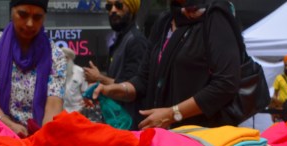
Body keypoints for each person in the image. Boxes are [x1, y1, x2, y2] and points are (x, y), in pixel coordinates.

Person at [90, 0, 241, 130]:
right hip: (164, 138)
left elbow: (226, 83)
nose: (113, 10)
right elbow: (143, 80)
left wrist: (172, 114)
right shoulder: (165, 21)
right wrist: (110, 90)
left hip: (203, 138)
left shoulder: (214, 15)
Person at [0, 0, 66, 138]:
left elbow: (54, 106)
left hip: (39, 135)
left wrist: (43, 136)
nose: (30, 23)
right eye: (23, 15)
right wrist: (10, 126)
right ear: (11, 12)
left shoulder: (56, 55)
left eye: (37, 17)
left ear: (44, 18)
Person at [83, 0, 147, 124]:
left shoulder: (136, 41)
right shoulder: (121, 40)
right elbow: (118, 80)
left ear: (131, 8)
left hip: (130, 124)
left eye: (118, 5)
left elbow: (133, 87)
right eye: (109, 6)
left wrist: (99, 78)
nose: (112, 10)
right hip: (118, 121)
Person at [61, 47, 87, 112]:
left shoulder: (80, 71)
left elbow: (85, 91)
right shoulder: (55, 73)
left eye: (65, 58)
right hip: (61, 110)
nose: (63, 60)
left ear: (70, 59)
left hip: (78, 109)